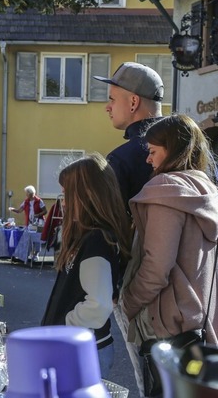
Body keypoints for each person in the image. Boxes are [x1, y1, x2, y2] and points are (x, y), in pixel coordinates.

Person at [119, 115, 218, 394]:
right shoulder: (207, 193)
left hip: (168, 330)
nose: (149, 160)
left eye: (152, 152)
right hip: (200, 330)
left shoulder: (166, 193)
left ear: (174, 149)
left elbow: (157, 265)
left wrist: (129, 303)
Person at [41, 153, 131, 378]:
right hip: (78, 348)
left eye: (66, 194)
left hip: (82, 351)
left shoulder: (97, 241)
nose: (62, 201)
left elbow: (99, 305)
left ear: (87, 196)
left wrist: (64, 324)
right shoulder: (87, 237)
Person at [94, 62, 164, 209]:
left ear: (133, 102)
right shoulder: (191, 145)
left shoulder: (121, 159)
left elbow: (110, 223)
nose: (107, 107)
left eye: (112, 99)